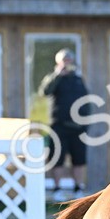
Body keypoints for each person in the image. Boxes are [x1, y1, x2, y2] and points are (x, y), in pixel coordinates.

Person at [39, 49, 90, 201]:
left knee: (79, 159)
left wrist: (86, 121)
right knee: (57, 158)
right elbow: (45, 92)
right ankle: (57, 188)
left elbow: (86, 100)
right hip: (58, 125)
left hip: (78, 127)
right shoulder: (53, 78)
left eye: (69, 60)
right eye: (64, 60)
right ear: (58, 62)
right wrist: (57, 75)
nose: (67, 63)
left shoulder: (78, 79)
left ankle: (78, 187)